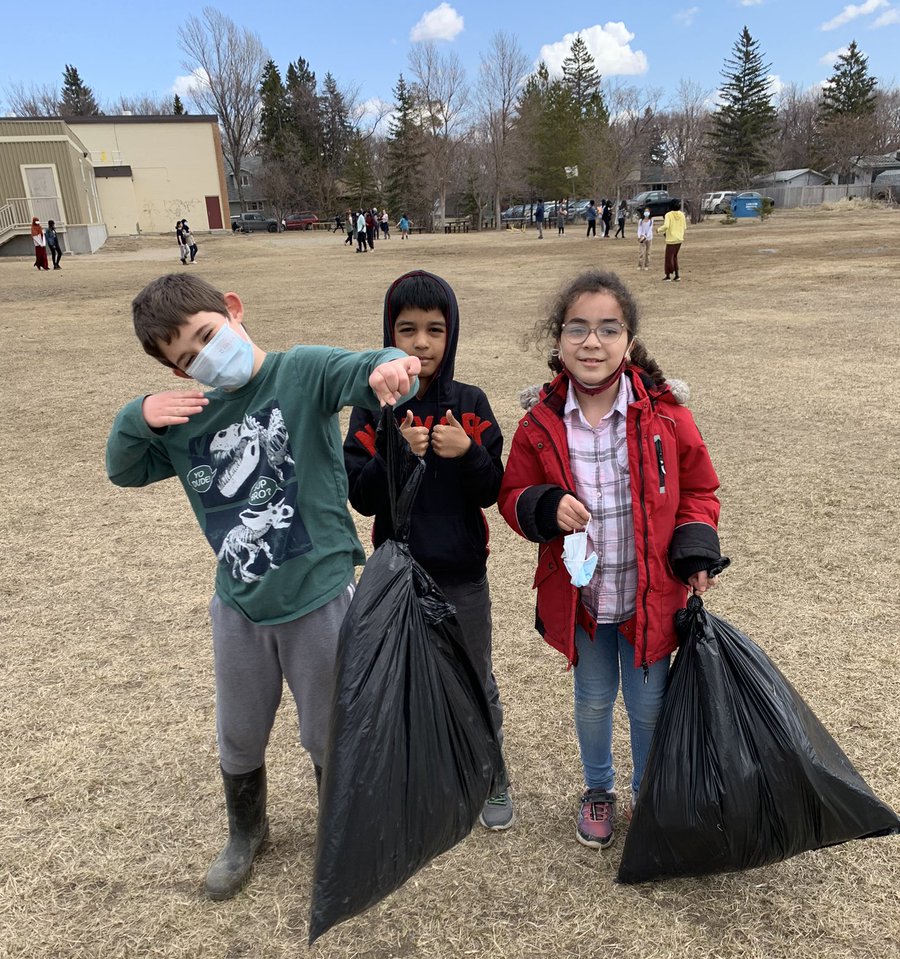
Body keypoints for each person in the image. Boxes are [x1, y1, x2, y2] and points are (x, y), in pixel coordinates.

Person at [105, 273, 421, 900]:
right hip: (240, 604)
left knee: (328, 726)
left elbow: (362, 369)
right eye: (187, 358)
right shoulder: (186, 418)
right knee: (240, 728)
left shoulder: (298, 373)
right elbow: (122, 468)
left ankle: (346, 825)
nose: (204, 357)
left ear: (233, 310)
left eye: (207, 335)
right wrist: (137, 415)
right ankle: (246, 831)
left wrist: (389, 367)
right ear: (176, 372)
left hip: (317, 596)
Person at [498, 269, 726, 849]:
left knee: (649, 706)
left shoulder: (666, 414)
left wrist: (696, 539)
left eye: (607, 329)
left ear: (628, 340)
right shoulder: (538, 422)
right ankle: (598, 789)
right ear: (558, 341)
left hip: (650, 599)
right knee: (594, 701)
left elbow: (699, 489)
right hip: (585, 601)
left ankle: (649, 791)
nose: (591, 343)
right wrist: (545, 506)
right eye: (577, 329)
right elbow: (511, 496)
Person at [343, 270, 513, 831]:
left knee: (475, 675)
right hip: (398, 577)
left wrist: (466, 453)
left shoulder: (471, 403)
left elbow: (492, 490)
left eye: (435, 330)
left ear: (453, 334)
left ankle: (490, 771)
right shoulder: (374, 407)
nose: (421, 343)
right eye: (407, 329)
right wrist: (393, 450)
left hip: (462, 573)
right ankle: (420, 772)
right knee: (404, 676)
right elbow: (362, 499)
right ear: (389, 334)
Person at [660, 199, 686, 281]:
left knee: (668, 257)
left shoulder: (668, 214)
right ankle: (677, 275)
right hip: (679, 239)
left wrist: (659, 230)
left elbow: (666, 225)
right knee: (674, 256)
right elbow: (684, 226)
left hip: (671, 239)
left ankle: (668, 275)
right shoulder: (682, 214)